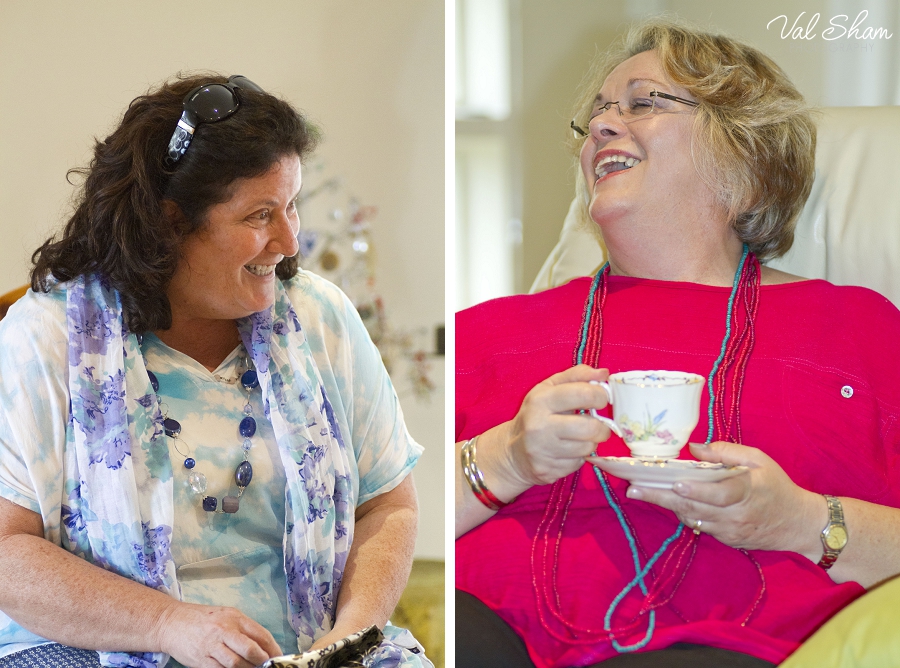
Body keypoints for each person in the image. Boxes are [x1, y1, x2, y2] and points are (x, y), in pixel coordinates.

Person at [455, 20, 900, 668]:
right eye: (597, 114)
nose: (601, 125)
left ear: (743, 156)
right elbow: (379, 525)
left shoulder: (860, 331)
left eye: (642, 103)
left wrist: (800, 521)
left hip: (730, 648)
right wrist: (506, 457)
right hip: (488, 633)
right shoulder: (485, 332)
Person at [0, 73, 430, 668]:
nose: (289, 240)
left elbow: (387, 505)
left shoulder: (319, 316)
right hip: (98, 648)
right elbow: (7, 551)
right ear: (170, 222)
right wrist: (167, 625)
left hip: (307, 651)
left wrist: (348, 642)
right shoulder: (46, 337)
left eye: (291, 205)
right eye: (260, 215)